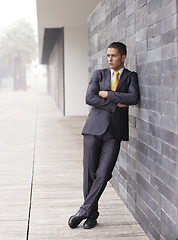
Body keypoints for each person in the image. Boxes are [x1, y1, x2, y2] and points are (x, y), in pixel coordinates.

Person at [68, 42, 140, 229]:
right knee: (90, 174)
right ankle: (92, 216)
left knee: (104, 173)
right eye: (108, 55)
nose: (110, 59)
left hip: (114, 133)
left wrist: (107, 94)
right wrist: (115, 103)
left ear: (123, 57)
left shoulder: (131, 76)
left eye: (114, 56)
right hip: (93, 130)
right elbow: (89, 97)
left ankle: (83, 211)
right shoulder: (98, 74)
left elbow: (133, 98)